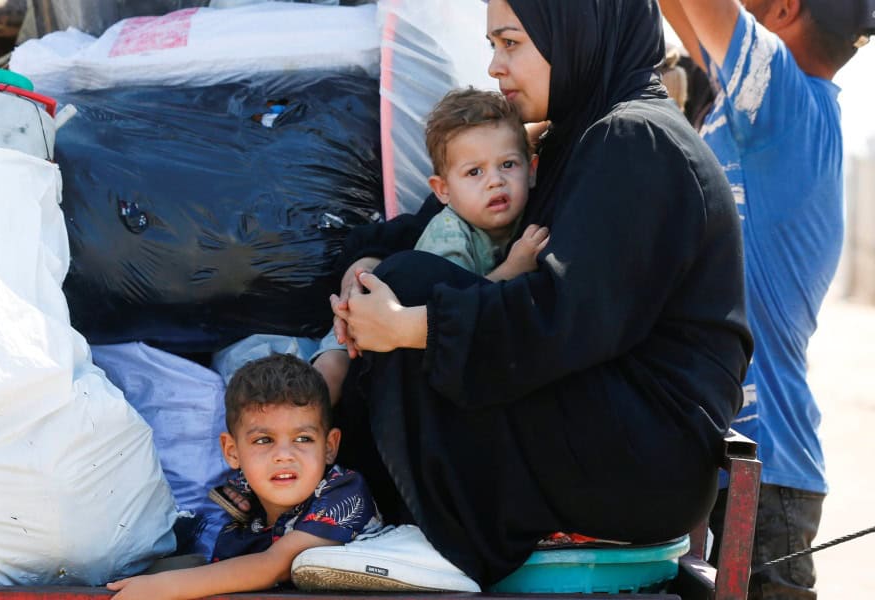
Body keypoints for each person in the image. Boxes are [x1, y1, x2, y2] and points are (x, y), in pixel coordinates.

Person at [298, 0, 753, 589]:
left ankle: (448, 541)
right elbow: (450, 218)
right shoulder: (579, 138)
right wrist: (363, 267)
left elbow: (564, 317)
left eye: (511, 43)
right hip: (609, 432)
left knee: (412, 287)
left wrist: (409, 325)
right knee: (399, 276)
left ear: (576, 33)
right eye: (493, 45)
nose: (494, 66)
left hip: (643, 460)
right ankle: (369, 518)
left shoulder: (635, 140)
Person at [659, 0, 870, 597]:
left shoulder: (781, 98)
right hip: (741, 469)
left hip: (763, 480)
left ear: (783, 9)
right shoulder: (762, 107)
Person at [311, 87, 551, 407]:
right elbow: (449, 311)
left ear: (531, 171)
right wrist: (511, 270)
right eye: (475, 172)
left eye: (508, 165)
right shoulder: (450, 236)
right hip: (371, 319)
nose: (495, 181)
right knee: (331, 371)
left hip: (399, 330)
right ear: (442, 190)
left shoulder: (518, 215)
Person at [106, 354, 385, 599]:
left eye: (303, 438)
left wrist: (167, 587)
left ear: (329, 447)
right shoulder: (243, 496)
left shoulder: (344, 491)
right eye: (264, 440)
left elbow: (274, 566)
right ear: (232, 452)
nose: (284, 455)